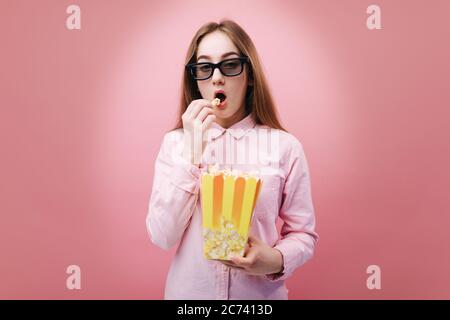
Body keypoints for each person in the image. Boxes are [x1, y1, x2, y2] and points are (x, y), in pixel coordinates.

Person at [146, 20, 318, 300]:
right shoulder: (175, 144)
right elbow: (162, 235)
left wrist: (275, 259)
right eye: (204, 67)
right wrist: (191, 152)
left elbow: (304, 234)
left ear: (249, 75)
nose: (216, 78)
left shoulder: (285, 147)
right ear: (195, 79)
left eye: (229, 65)